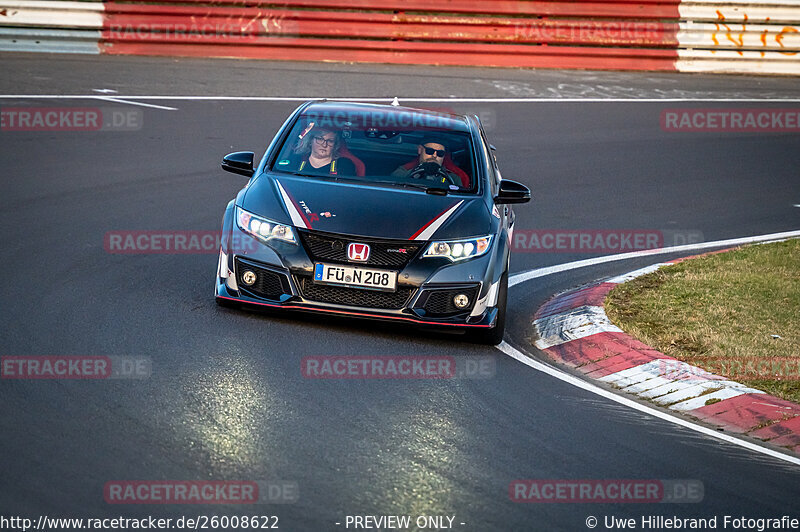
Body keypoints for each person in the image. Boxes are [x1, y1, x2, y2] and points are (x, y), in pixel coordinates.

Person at [390, 137, 460, 186]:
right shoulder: (402, 174)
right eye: (430, 151)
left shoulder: (454, 179)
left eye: (440, 153)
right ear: (420, 150)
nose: (434, 156)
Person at [290, 125, 356, 177]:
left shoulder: (345, 165)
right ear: (310, 141)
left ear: (335, 145)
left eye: (330, 141)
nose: (324, 145)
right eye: (320, 139)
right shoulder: (295, 161)